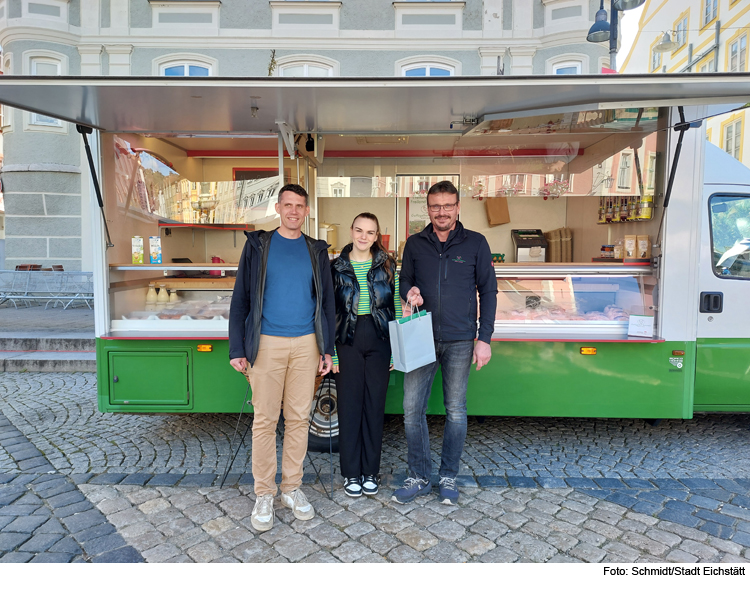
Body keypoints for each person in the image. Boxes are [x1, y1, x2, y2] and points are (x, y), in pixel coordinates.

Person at [228, 183, 335, 532]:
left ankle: (291, 487)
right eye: (288, 205)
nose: (293, 211)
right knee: (264, 419)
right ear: (278, 207)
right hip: (267, 343)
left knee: (299, 418)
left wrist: (327, 347)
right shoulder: (258, 246)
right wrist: (237, 348)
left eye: (299, 206)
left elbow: (328, 304)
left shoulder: (316, 250)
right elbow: (240, 299)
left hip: (306, 344)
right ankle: (264, 493)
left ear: (306, 211)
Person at [393, 180, 497, 506]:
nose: (441, 212)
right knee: (412, 410)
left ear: (457, 208)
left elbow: (489, 291)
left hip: (461, 339)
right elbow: (404, 281)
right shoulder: (414, 243)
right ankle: (419, 477)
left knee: (455, 412)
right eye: (435, 206)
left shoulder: (476, 243)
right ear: (428, 208)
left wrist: (485, 339)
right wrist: (408, 292)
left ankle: (448, 476)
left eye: (447, 206)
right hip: (420, 337)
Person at [331, 213, 402, 497]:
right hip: (346, 339)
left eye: (370, 232)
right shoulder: (335, 267)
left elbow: (395, 303)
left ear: (376, 236)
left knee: (374, 406)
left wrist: (396, 346)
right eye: (359, 230)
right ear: (351, 231)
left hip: (379, 337)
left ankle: (370, 471)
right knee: (349, 407)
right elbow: (328, 311)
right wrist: (331, 354)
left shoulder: (386, 264)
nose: (363, 236)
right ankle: (351, 474)